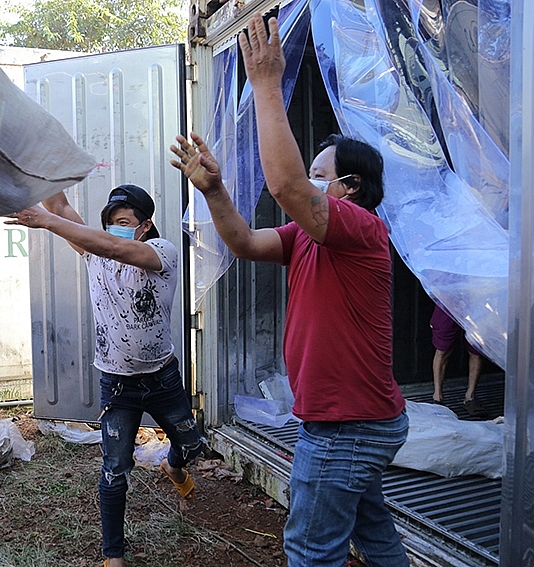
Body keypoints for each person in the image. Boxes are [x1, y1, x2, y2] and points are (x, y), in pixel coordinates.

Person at [170, 13, 409, 567]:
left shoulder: (361, 228)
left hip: (347, 425)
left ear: (348, 189)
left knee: (310, 550)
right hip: (351, 420)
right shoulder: (305, 236)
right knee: (374, 538)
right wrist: (214, 190)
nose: (310, 181)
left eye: (321, 174)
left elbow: (285, 186)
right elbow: (246, 242)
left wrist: (267, 87)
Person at [7, 185, 206, 567]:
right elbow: (62, 204)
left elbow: (112, 246)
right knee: (114, 469)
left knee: (193, 445)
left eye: (123, 223)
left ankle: (174, 463)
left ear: (145, 226)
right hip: (118, 385)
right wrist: (44, 172)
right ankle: (113, 555)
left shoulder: (162, 253)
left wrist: (47, 222)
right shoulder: (96, 254)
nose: (114, 231)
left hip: (162, 378)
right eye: (109, 224)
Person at [430, 302, 488, 418]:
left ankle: (470, 398)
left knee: (476, 349)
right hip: (447, 299)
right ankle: (437, 398)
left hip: (475, 299)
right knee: (442, 349)